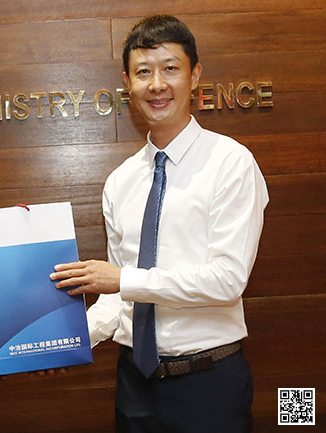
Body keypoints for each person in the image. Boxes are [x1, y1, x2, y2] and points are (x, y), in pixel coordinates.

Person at [50, 15, 268, 433]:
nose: (157, 84)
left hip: (208, 384)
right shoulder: (121, 181)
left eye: (170, 68)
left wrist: (123, 280)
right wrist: (69, 343)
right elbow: (118, 299)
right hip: (135, 385)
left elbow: (227, 280)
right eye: (143, 72)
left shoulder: (231, 163)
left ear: (195, 75)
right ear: (127, 83)